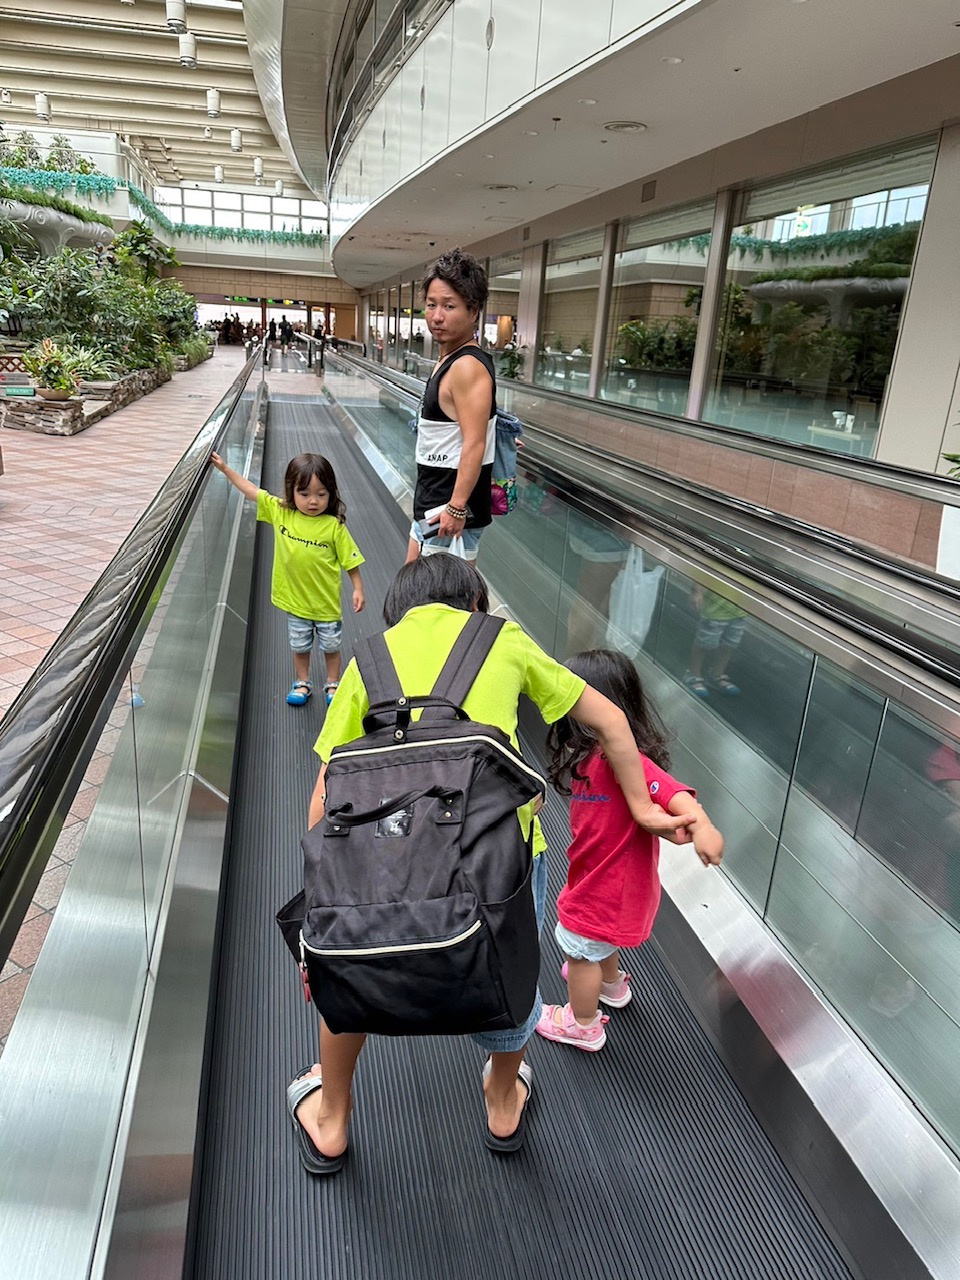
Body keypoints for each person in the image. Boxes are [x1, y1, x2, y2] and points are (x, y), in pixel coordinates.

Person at [286, 555, 692, 1173]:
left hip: (380, 852)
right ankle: (503, 1101)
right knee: (511, 972)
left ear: (399, 613)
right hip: (502, 858)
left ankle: (333, 1118)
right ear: (474, 603)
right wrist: (642, 806)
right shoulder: (502, 639)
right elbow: (611, 720)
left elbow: (327, 783)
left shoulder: (371, 657)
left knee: (352, 961)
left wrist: (322, 905)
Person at [537, 649, 723, 1052]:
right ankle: (611, 984)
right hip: (601, 876)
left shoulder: (623, 759)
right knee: (596, 941)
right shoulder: (593, 755)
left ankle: (582, 1024)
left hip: (606, 886)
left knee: (578, 950)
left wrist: (703, 827)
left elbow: (673, 793)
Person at [209, 450, 365, 706]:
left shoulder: (333, 526)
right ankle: (302, 682)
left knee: (331, 647)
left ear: (331, 494)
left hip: (326, 604)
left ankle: (332, 682)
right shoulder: (281, 512)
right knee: (300, 647)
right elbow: (251, 491)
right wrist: (225, 469)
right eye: (304, 494)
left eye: (321, 494)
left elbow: (351, 560)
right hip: (295, 602)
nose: (313, 501)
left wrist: (357, 588)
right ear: (292, 492)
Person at [406, 248, 496, 565]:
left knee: (436, 596)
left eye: (449, 306)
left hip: (448, 516)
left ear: (473, 311)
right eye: (431, 305)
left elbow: (475, 442)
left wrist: (457, 507)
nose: (437, 316)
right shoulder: (451, 358)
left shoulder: (467, 367)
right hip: (435, 507)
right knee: (413, 591)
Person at [683, 585, 747, 698]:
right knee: (704, 645)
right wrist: (696, 592)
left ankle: (717, 674)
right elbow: (702, 575)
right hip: (714, 612)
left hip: (740, 612)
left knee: (729, 646)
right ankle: (693, 674)